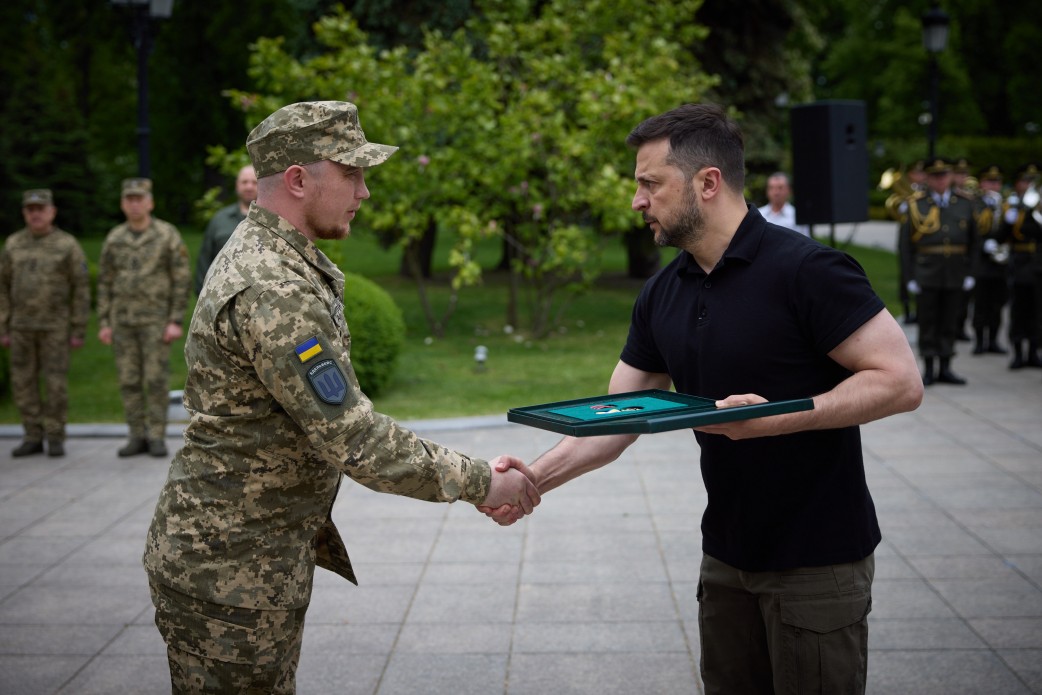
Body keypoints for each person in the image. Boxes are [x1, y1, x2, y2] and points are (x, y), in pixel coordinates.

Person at [487, 103, 924, 694]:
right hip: (725, 558)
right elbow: (620, 416)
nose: (637, 201)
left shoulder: (808, 270)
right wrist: (532, 478)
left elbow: (900, 379)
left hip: (817, 559)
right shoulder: (663, 291)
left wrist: (775, 418)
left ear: (707, 183)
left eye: (649, 184)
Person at [142, 100, 540, 694]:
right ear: (298, 180)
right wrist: (482, 480)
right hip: (230, 572)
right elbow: (354, 438)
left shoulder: (279, 259)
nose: (365, 191)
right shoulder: (273, 285)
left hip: (245, 560)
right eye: (351, 172)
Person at [97, 178, 191, 457]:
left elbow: (181, 279)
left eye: (139, 199)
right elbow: (104, 282)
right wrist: (104, 322)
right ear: (123, 204)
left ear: (150, 202)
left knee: (155, 379)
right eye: (129, 199)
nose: (135, 204)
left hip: (155, 321)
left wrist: (175, 320)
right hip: (123, 320)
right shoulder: (114, 238)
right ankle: (136, 434)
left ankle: (157, 435)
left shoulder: (166, 235)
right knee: (128, 379)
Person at [0, 189, 90, 457]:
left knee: (55, 384)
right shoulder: (13, 244)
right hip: (21, 327)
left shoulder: (67, 245)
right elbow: (3, 288)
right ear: (24, 213)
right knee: (23, 382)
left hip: (55, 327)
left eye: (41, 208)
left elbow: (81, 288)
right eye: (30, 209)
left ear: (52, 212)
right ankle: (32, 435)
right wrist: (3, 325)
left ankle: (55, 435)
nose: (35, 214)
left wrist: (78, 327)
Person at [898, 158, 978, 385]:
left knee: (950, 320)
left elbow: (974, 242)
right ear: (928, 179)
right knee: (928, 320)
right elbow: (905, 246)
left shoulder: (964, 203)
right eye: (935, 176)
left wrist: (971, 272)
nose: (940, 180)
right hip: (927, 272)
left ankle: (946, 366)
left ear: (950, 177)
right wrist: (909, 277)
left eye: (943, 175)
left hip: (955, 271)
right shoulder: (916, 204)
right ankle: (929, 367)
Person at [995, 163, 1042, 369]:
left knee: (1037, 310)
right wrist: (1008, 221)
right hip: (1020, 262)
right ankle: (1017, 352)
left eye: (1032, 181)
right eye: (1025, 180)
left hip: (1038, 264)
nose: (1028, 185)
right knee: (1018, 309)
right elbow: (1000, 237)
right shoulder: (1012, 206)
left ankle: (1033, 351)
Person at [193, 164, 258, 294]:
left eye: (254, 182)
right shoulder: (219, 220)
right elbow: (205, 260)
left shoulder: (273, 219)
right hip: (223, 297)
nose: (249, 187)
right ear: (237, 185)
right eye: (244, 182)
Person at [970, 165, 1009, 355]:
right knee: (981, 304)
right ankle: (979, 342)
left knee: (998, 303)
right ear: (982, 183)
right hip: (981, 262)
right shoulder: (975, 204)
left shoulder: (1005, 205)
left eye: (997, 181)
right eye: (990, 181)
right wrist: (983, 244)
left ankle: (993, 340)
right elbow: (971, 231)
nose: (994, 185)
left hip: (1000, 263)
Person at [757, 171, 810, 236]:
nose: (776, 192)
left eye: (780, 188)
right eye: (771, 188)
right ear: (767, 191)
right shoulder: (759, 215)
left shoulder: (797, 216)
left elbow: (806, 243)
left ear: (789, 190)